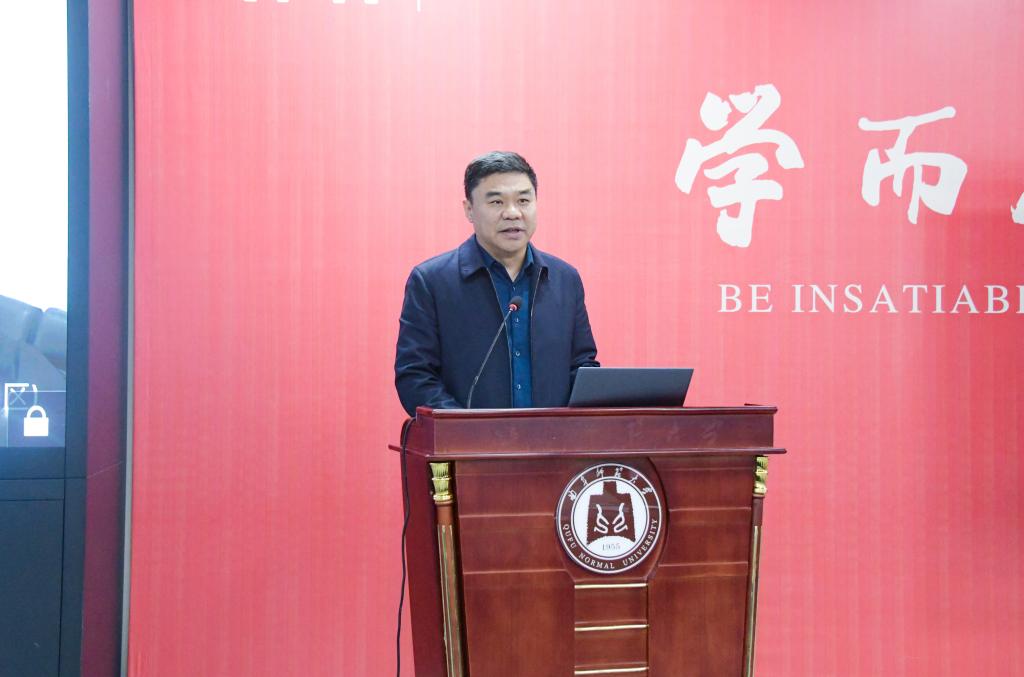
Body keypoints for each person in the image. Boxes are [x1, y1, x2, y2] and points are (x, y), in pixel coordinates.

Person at [395, 151, 599, 416]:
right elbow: (415, 376)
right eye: (496, 202)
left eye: (523, 200)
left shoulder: (565, 280)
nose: (512, 213)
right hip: (467, 440)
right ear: (469, 210)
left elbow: (582, 367)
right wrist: (465, 428)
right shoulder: (432, 282)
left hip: (551, 440)